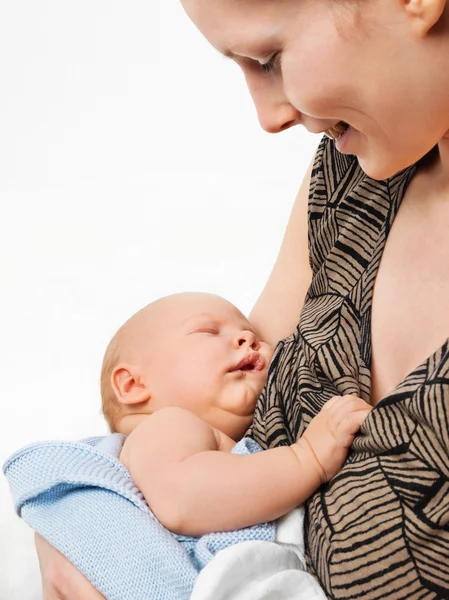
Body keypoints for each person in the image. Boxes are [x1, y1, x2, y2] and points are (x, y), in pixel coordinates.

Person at [36, 0, 449, 597]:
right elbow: (194, 426)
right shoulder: (351, 179)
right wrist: (81, 525)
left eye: (269, 57)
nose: (268, 116)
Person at [100, 292, 369, 536]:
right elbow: (183, 498)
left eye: (255, 336)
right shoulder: (163, 424)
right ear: (132, 385)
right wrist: (307, 457)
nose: (249, 339)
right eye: (208, 331)